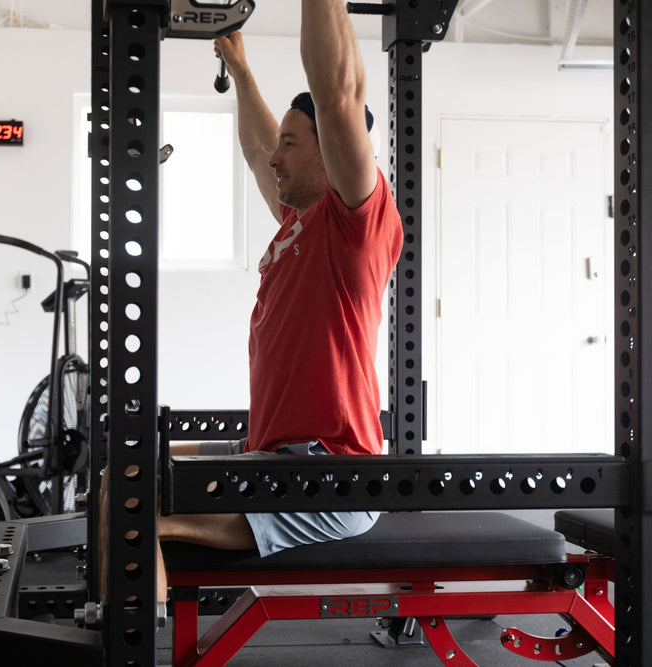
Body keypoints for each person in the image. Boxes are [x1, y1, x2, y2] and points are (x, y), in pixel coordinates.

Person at [154, 0, 404, 606]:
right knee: (121, 480)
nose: (276, 156)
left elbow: (339, 94)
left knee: (128, 524)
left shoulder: (356, 226)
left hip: (326, 476)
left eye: (293, 144)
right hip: (276, 459)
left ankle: (131, 648)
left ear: (335, 151)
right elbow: (257, 146)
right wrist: (240, 72)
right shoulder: (297, 222)